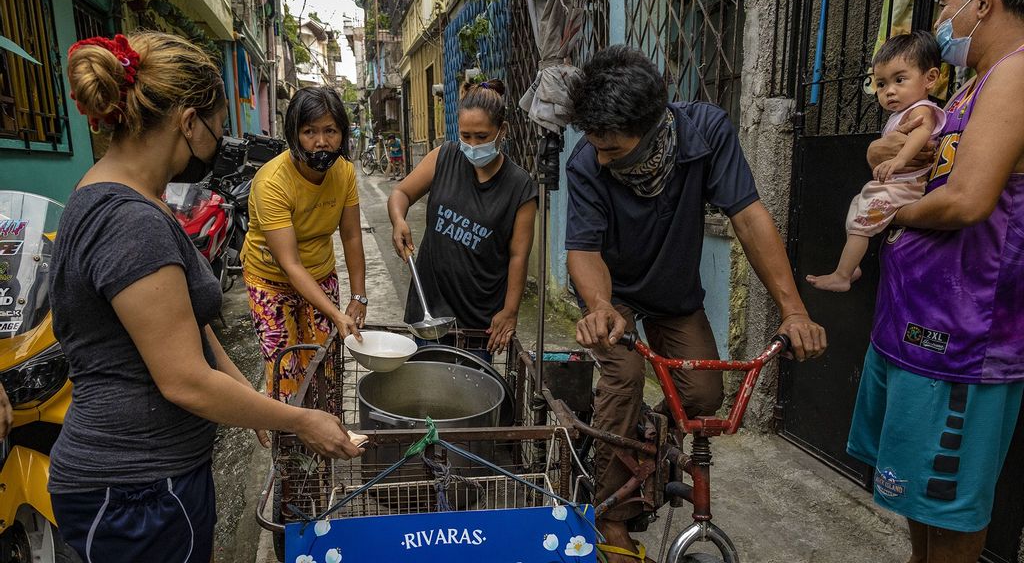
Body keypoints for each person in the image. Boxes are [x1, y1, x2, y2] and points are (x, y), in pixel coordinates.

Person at [49, 32, 363, 563]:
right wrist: (298, 420)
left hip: (152, 480)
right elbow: (184, 379)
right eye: (219, 127)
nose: (221, 143)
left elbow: (190, 326)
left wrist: (260, 408)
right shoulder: (131, 223)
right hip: (137, 487)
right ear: (189, 122)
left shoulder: (124, 196)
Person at [564, 45, 827, 562]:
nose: (600, 157)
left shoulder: (706, 133)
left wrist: (793, 309)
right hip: (610, 294)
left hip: (671, 292)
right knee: (620, 379)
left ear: (651, 127)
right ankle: (611, 520)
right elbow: (583, 249)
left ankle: (645, 442)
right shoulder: (585, 164)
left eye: (612, 149)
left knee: (703, 397)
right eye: (594, 146)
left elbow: (749, 218)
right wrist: (598, 305)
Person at [847, 0, 1024, 561]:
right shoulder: (974, 81)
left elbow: (968, 200)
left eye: (946, 2)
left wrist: (890, 214)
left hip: (965, 335)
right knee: (920, 501)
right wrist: (883, 152)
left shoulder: (1016, 75)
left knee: (948, 507)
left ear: (983, 0)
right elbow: (888, 153)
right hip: (918, 319)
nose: (939, 19)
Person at [388, 79, 537, 356]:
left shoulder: (520, 187)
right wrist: (399, 220)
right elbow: (401, 192)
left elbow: (518, 256)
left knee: (473, 393)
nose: (472, 145)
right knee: (426, 388)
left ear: (501, 130)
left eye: (481, 137)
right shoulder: (443, 157)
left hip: (479, 320)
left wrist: (510, 311)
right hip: (429, 308)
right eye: (465, 135)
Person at [242, 86, 366, 401]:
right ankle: (289, 441)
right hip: (273, 282)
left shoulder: (345, 173)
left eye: (330, 131)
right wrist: (337, 314)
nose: (321, 141)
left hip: (321, 274)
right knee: (285, 370)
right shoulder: (272, 182)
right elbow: (290, 264)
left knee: (324, 363)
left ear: (343, 134)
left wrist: (359, 296)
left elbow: (351, 236)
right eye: (309, 131)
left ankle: (326, 431)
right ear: (294, 135)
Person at [807, 32, 946, 292]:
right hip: (896, 184)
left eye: (900, 79)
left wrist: (899, 160)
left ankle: (842, 274)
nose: (889, 91)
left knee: (862, 220)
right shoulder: (901, 112)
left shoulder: (921, 109)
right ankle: (853, 264)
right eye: (881, 84)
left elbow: (921, 133)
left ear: (930, 78)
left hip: (908, 186)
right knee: (856, 206)